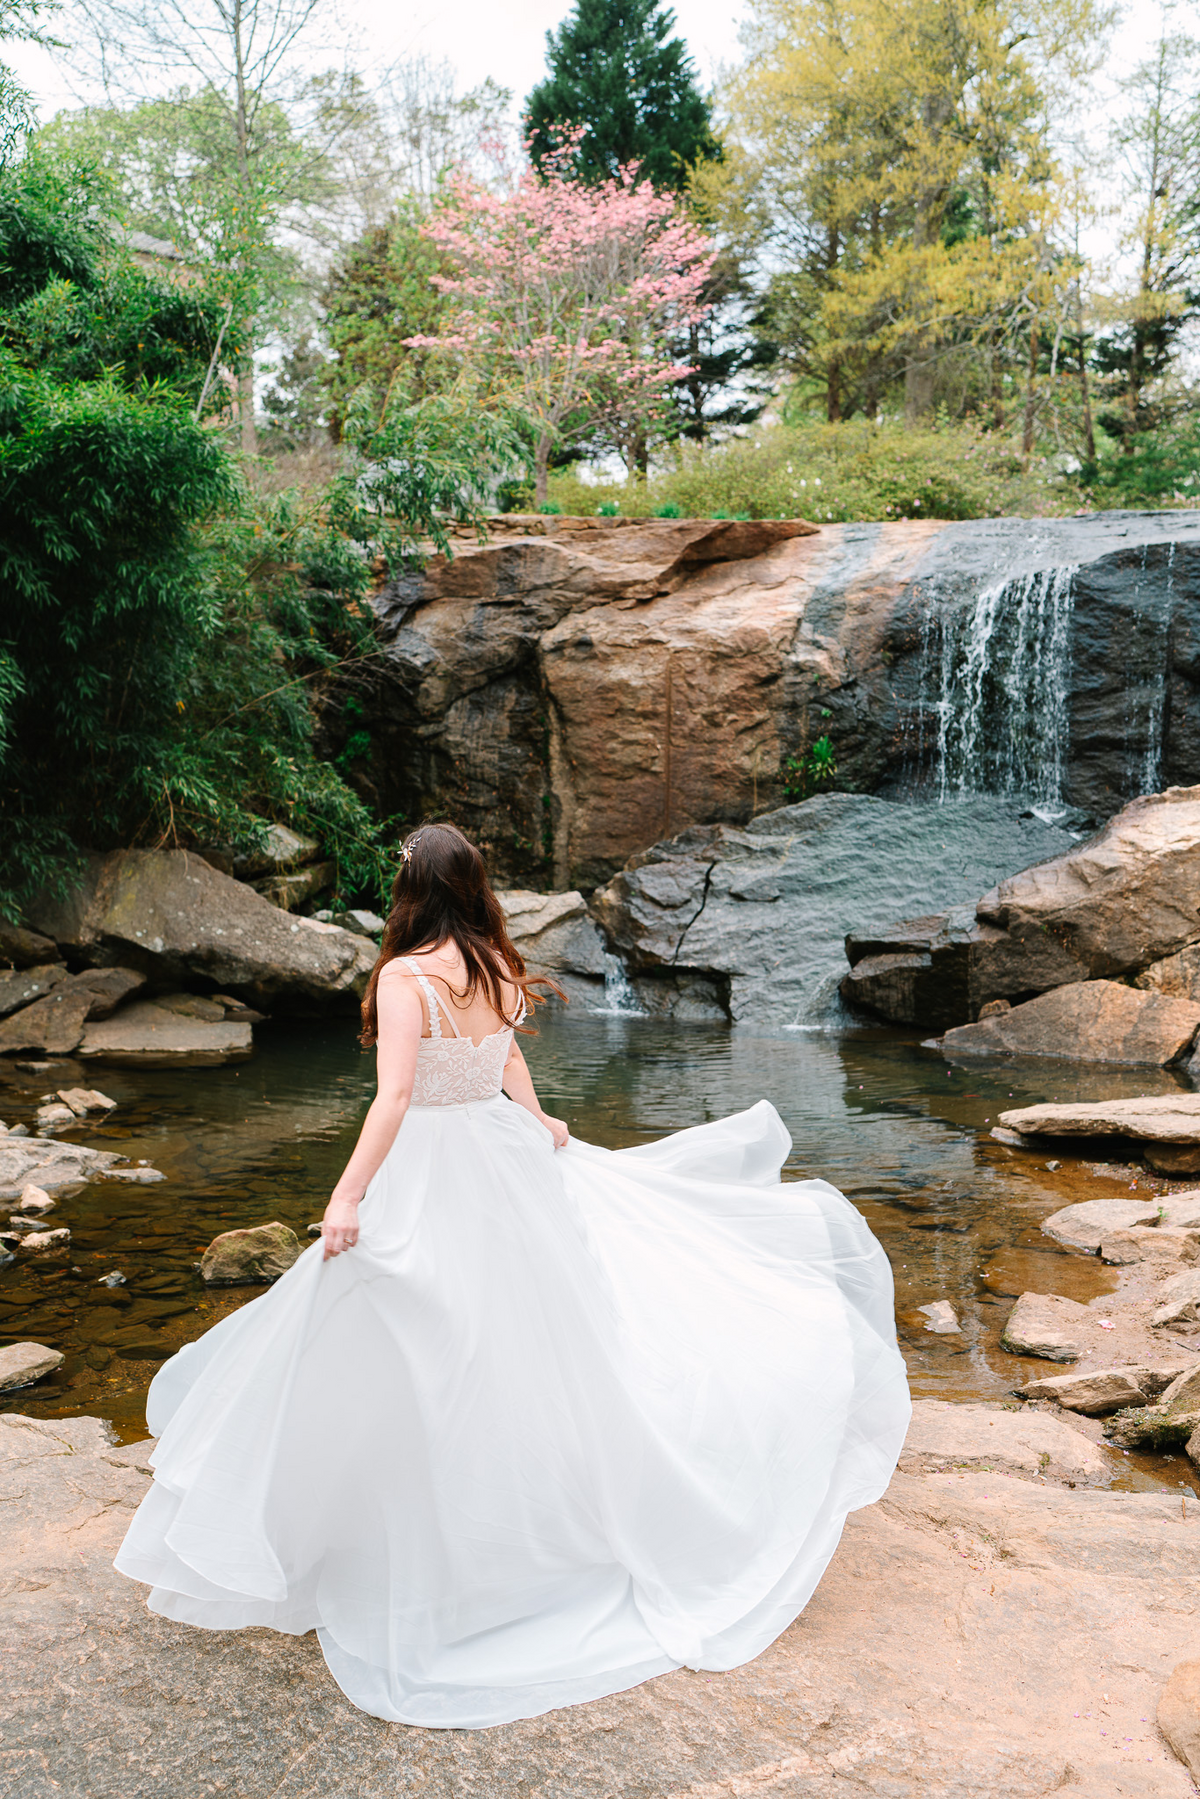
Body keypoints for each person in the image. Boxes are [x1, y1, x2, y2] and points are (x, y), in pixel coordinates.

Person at [115, 822, 911, 1729]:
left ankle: (396, 1531)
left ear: (413, 888)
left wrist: (345, 1194)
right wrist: (535, 1121)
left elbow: (399, 1096)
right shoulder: (495, 960)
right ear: (474, 885)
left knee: (399, 1319)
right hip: (499, 1154)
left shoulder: (405, 975)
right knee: (517, 1330)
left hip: (439, 1161)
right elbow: (511, 1055)